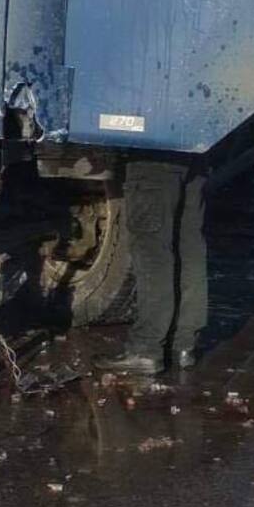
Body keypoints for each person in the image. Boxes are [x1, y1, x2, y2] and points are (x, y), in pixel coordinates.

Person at [96, 157, 207, 375]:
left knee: (152, 251)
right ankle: (184, 345)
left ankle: (146, 349)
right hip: (196, 154)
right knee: (189, 246)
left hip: (154, 156)